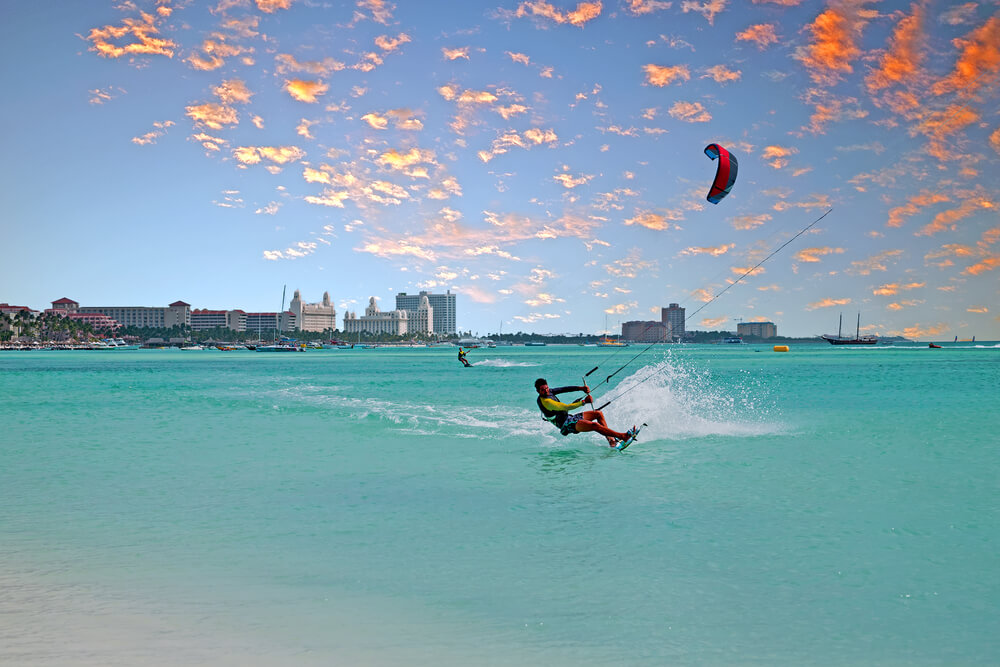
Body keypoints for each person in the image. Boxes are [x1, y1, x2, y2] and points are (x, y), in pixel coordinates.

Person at [534, 377, 635, 447]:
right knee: (594, 425)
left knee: (598, 413)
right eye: (543, 390)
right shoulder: (546, 402)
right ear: (538, 391)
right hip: (566, 425)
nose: (546, 390)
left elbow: (564, 389)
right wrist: (583, 402)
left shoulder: (549, 391)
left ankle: (611, 440)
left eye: (547, 388)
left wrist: (580, 388)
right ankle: (622, 436)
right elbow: (565, 407)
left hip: (570, 418)